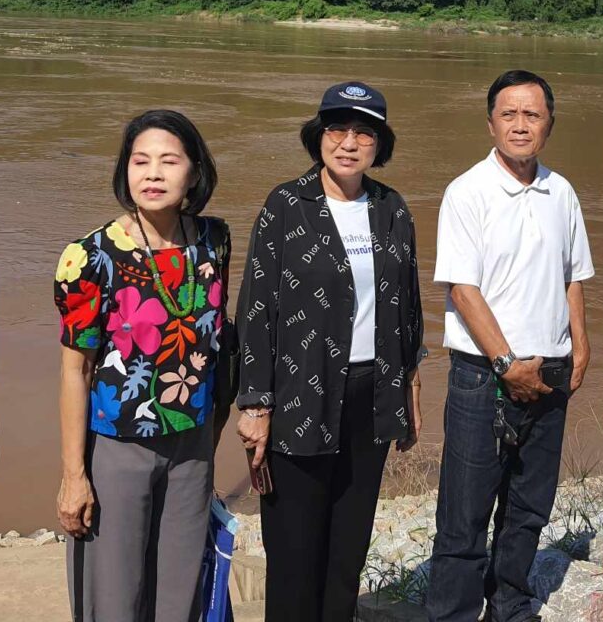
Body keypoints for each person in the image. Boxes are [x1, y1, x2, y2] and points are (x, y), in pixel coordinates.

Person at [235, 82, 424, 622]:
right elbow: (255, 309)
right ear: (318, 136)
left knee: (349, 547)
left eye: (363, 132)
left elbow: (407, 308)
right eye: (337, 129)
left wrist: (411, 391)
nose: (348, 142)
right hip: (301, 394)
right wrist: (254, 404)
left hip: (371, 395)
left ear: (379, 144)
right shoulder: (285, 205)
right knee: (295, 549)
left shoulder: (393, 209)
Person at [426, 70, 593, 622]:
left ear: (549, 122)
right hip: (484, 375)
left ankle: (510, 608)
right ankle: (452, 613)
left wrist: (581, 343)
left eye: (533, 114)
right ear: (491, 121)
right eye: (510, 114)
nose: (521, 125)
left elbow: (573, 275)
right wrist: (506, 363)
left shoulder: (561, 191)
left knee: (528, 507)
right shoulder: (467, 191)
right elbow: (461, 287)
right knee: (465, 513)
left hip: (551, 369)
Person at [53, 109, 231, 622]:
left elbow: (216, 347)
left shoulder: (214, 241)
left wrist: (213, 435)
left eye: (168, 161)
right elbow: (74, 371)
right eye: (140, 161)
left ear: (194, 173)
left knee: (179, 594)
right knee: (116, 595)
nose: (152, 174)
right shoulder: (89, 256)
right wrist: (74, 476)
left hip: (193, 446)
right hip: (118, 448)